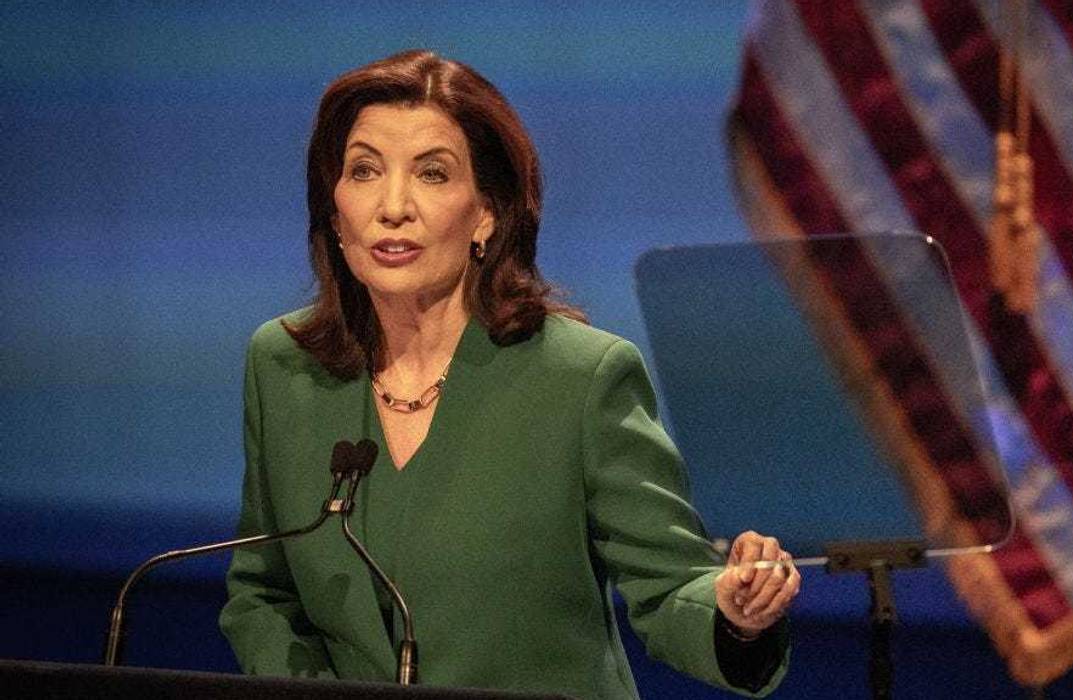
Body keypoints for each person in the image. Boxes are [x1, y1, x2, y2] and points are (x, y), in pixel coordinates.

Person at [218, 49, 801, 699]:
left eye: (432, 174)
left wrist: (734, 614)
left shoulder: (580, 377)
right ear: (334, 209)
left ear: (487, 212)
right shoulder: (284, 366)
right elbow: (262, 593)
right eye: (363, 170)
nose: (392, 206)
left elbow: (669, 587)